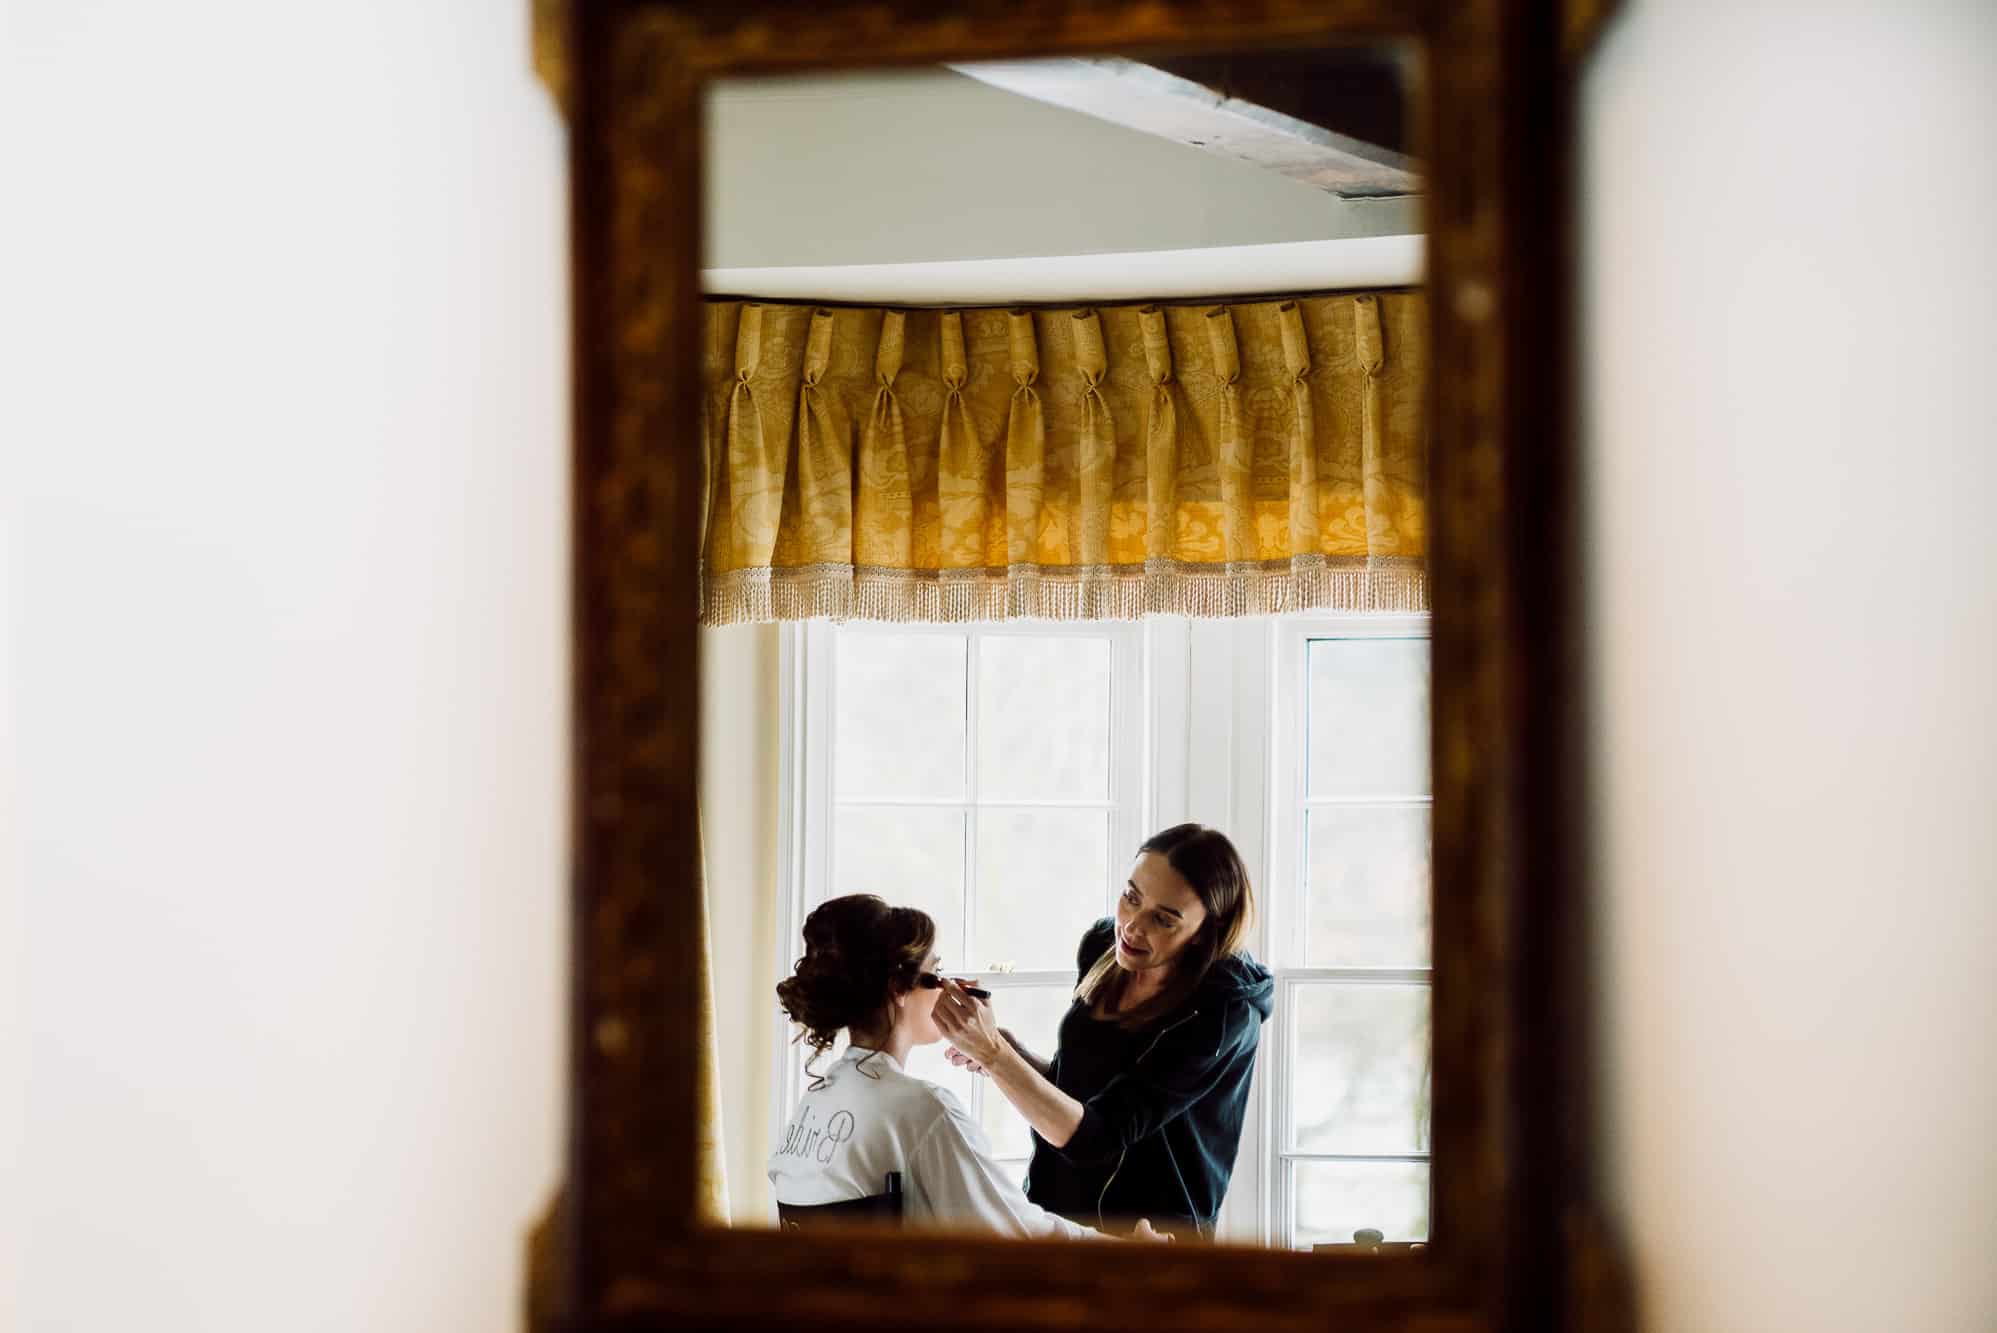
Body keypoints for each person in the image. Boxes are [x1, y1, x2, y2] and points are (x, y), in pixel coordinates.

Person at [934, 823, 1273, 1240]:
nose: (1131, 927)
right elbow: (1079, 1092)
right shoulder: (1102, 947)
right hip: (1057, 1221)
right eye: (1131, 897)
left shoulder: (1223, 1014)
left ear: (1206, 932)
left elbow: (1097, 1138)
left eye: (1163, 920)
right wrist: (1006, 1051)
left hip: (1151, 1245)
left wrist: (994, 1056)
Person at [768, 893, 1170, 1242]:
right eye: (937, 971)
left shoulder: (813, 1106)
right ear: (899, 988)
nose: (948, 985)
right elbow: (1021, 1234)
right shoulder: (921, 1109)